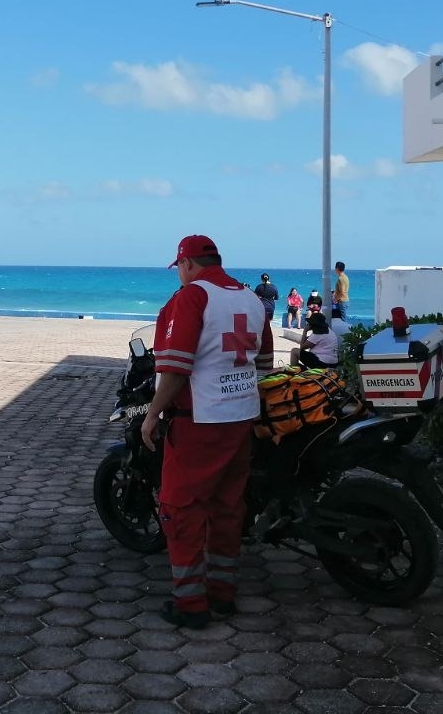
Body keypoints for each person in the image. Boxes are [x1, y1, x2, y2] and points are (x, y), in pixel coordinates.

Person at [141, 235, 274, 630]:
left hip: (199, 420)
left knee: (181, 509)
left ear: (186, 264)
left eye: (179, 268)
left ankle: (190, 604)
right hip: (241, 417)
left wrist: (152, 414)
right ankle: (222, 592)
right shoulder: (251, 299)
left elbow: (176, 368)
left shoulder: (192, 297)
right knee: (228, 507)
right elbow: (264, 364)